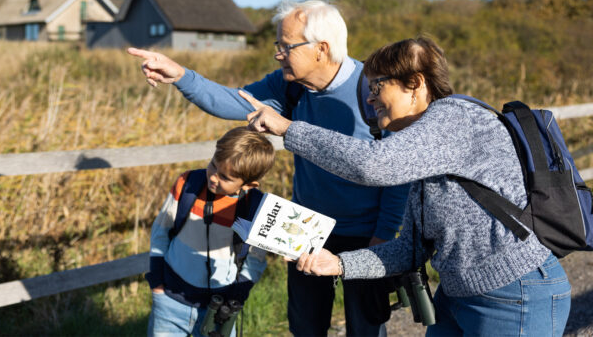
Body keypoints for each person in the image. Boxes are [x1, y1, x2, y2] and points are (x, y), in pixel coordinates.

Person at [241, 37, 572, 336]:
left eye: (376, 87)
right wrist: (339, 263)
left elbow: (373, 165)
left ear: (415, 83)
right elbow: (410, 249)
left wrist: (288, 129)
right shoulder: (425, 151)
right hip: (456, 297)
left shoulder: (454, 117)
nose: (370, 100)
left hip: (515, 294)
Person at [129, 0, 409, 336]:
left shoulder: (373, 92)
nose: (278, 54)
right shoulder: (289, 85)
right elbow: (232, 101)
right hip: (306, 232)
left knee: (366, 329)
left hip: (366, 233)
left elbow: (397, 171)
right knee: (306, 327)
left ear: (321, 49)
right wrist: (181, 76)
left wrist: (383, 236)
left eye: (285, 46)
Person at [146, 127, 276, 337]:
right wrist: (157, 284)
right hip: (170, 301)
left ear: (249, 185)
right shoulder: (188, 184)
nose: (214, 177)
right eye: (213, 165)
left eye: (224, 176)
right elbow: (161, 232)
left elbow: (255, 259)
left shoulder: (255, 209)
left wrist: (236, 298)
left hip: (220, 309)